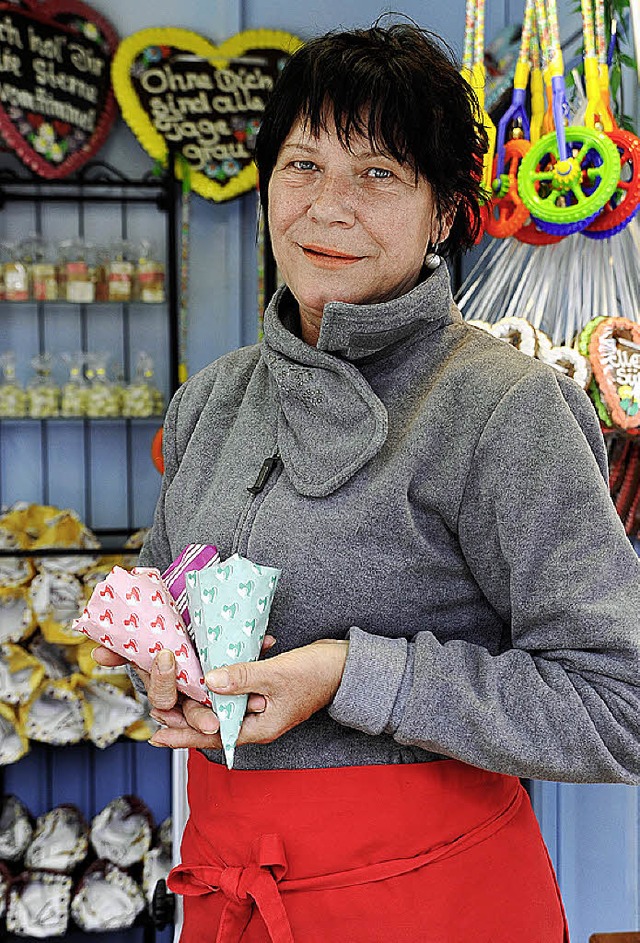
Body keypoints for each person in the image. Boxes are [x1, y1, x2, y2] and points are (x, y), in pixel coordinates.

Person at [94, 23, 640, 942]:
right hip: (231, 891)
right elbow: (166, 591)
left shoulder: (506, 408)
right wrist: (167, 672)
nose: (329, 207)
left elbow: (618, 704)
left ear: (444, 211)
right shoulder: (213, 402)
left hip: (427, 902)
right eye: (303, 164)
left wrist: (352, 673)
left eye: (379, 172)